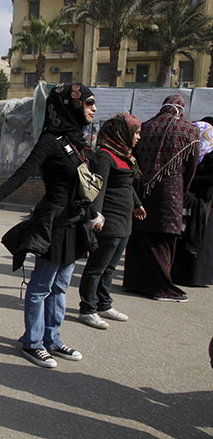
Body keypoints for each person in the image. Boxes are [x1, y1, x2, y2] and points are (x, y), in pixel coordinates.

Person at [0, 83, 99, 369]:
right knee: (41, 286)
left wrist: (92, 214)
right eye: (88, 103)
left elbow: (82, 186)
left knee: (62, 286)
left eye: (93, 103)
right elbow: (22, 175)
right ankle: (32, 342)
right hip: (53, 223)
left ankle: (53, 338)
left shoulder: (79, 142)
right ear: (70, 105)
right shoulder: (50, 141)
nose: (93, 108)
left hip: (75, 222)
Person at [122, 95, 200, 302]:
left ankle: (134, 282)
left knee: (141, 235)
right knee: (164, 238)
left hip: (142, 190)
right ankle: (160, 287)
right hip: (170, 193)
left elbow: (133, 159)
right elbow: (191, 168)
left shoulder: (145, 127)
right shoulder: (189, 130)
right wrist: (184, 189)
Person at [77, 114, 146, 330]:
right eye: (136, 132)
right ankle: (88, 308)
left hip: (124, 221)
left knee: (111, 267)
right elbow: (98, 189)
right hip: (110, 220)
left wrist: (136, 204)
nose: (138, 137)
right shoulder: (104, 156)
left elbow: (127, 185)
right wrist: (95, 215)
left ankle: (104, 304)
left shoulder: (124, 155)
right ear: (121, 133)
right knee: (97, 267)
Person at [171, 118, 213, 287]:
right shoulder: (189, 151)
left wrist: (191, 179)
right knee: (182, 236)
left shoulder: (211, 154)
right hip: (186, 199)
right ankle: (178, 273)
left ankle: (196, 276)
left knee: (197, 237)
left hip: (203, 202)